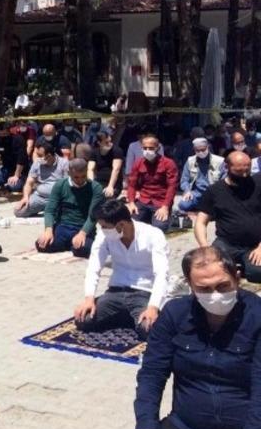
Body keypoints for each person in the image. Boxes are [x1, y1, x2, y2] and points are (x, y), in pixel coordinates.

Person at [121, 245, 261, 429]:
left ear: (237, 276)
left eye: (222, 285)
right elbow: (151, 375)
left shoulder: (258, 316)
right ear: (190, 287)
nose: (215, 295)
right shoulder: (174, 314)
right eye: (204, 289)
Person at [75, 200, 168, 341]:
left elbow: (162, 274)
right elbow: (94, 267)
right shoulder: (104, 235)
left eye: (105, 226)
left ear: (121, 225)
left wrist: (153, 307)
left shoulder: (154, 235)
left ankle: (131, 315)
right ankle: (127, 315)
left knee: (149, 329)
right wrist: (89, 298)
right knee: (83, 320)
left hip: (144, 292)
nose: (102, 229)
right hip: (116, 292)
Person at [194, 151, 261, 283]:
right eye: (239, 171)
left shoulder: (258, 183)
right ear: (227, 167)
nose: (245, 175)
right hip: (226, 243)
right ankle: (233, 267)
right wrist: (205, 247)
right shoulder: (214, 191)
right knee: (207, 270)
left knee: (257, 273)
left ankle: (240, 268)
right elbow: (201, 222)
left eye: (247, 169)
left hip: (255, 244)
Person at [36, 158, 103, 258]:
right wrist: (48, 230)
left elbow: (93, 216)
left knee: (84, 249)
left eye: (83, 176)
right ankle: (69, 244)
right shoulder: (60, 185)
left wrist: (83, 233)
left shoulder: (95, 188)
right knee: (41, 245)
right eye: (76, 177)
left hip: (83, 227)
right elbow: (50, 210)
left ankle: (71, 244)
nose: (80, 180)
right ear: (69, 173)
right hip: (63, 227)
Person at [125, 135, 178, 232]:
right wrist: (131, 202)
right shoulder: (138, 163)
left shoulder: (168, 163)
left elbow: (172, 186)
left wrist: (165, 207)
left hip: (161, 202)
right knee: (129, 223)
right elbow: (132, 184)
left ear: (157, 148)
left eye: (151, 148)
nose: (147, 150)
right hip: (143, 200)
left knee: (159, 228)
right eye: (145, 148)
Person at [14, 143, 69, 218]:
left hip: (57, 199)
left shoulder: (64, 163)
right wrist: (25, 197)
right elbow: (29, 183)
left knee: (63, 215)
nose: (38, 158)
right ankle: (46, 209)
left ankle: (50, 210)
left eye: (40, 156)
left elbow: (67, 184)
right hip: (40, 197)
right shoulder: (37, 163)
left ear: (49, 155)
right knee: (19, 211)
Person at [177, 137, 224, 224]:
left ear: (208, 147)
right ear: (194, 150)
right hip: (197, 193)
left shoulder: (219, 161)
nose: (201, 152)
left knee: (221, 208)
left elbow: (224, 181)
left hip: (213, 193)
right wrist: (187, 191)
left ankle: (199, 212)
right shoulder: (190, 161)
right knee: (183, 205)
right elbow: (184, 180)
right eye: (197, 150)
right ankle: (202, 211)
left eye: (203, 149)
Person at [91, 129, 125, 199]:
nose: (110, 144)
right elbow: (90, 169)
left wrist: (110, 186)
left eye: (110, 141)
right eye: (106, 142)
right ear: (99, 143)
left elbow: (116, 169)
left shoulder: (117, 151)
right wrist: (92, 184)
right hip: (99, 182)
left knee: (108, 197)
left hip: (114, 183)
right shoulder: (94, 152)